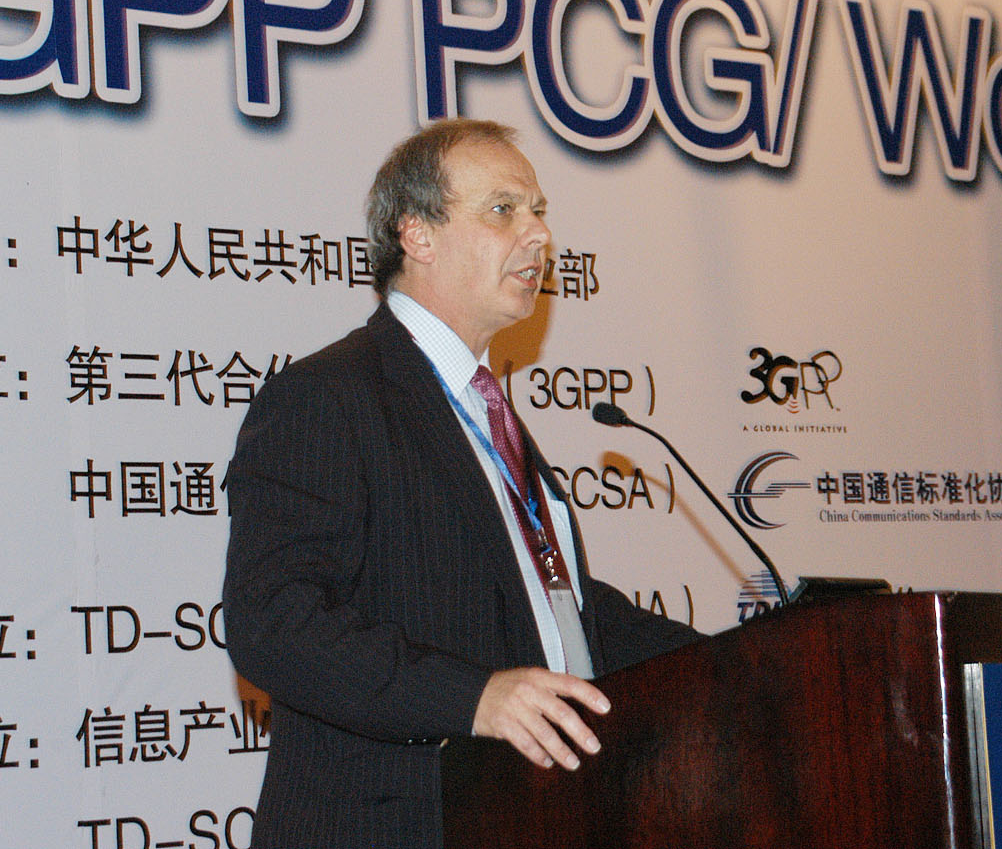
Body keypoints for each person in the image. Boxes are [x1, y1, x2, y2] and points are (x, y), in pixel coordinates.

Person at [223, 119, 702, 848]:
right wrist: (474, 698)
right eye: (503, 210)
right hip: (389, 824)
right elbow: (276, 623)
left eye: (538, 211)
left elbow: (561, 607)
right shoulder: (329, 396)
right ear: (416, 234)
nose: (539, 235)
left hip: (521, 816)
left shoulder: (484, 408)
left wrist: (745, 658)